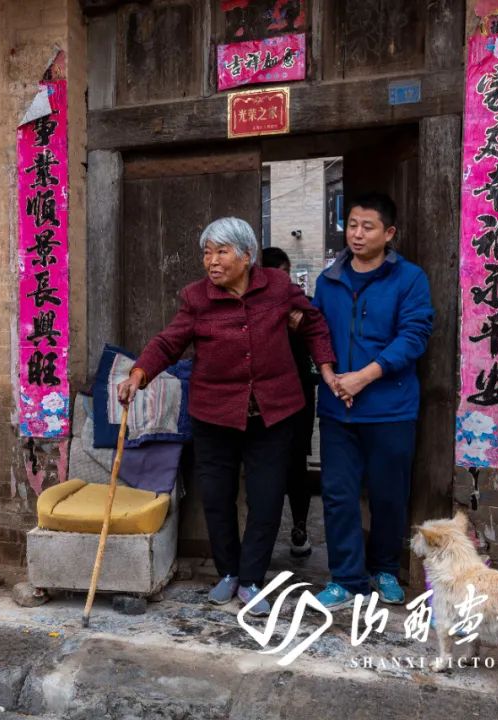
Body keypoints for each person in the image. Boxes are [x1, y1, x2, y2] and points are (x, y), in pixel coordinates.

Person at [117, 218, 338, 615]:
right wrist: (139, 373)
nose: (211, 262)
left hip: (273, 413)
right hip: (214, 414)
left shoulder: (278, 287)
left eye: (221, 252)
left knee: (267, 498)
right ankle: (228, 573)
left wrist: (325, 367)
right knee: (217, 497)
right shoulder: (196, 298)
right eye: (207, 252)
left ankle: (252, 579)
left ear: (246, 256)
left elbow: (314, 323)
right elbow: (170, 341)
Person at [310, 192, 434, 609]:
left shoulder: (409, 279)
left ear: (389, 233)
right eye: (352, 225)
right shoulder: (328, 280)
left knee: (388, 494)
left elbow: (413, 336)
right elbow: (317, 333)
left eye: (368, 227)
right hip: (336, 409)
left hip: (390, 408)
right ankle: (346, 578)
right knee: (338, 494)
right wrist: (329, 376)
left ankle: (384, 568)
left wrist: (363, 378)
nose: (357, 234)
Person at [260, 246, 316, 558]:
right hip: (265, 399)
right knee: (267, 465)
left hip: (300, 397)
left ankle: (299, 527)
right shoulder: (252, 307)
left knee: (296, 463)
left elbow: (321, 339)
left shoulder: (301, 306)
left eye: (285, 276)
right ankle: (263, 536)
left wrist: (300, 329)